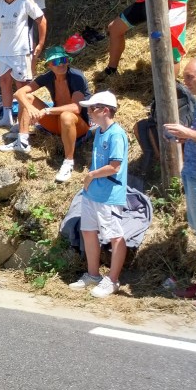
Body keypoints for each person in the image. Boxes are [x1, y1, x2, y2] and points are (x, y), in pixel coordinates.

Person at [67, 91, 129, 299]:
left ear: (105, 110)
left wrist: (91, 175)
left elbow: (115, 166)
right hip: (92, 193)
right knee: (88, 231)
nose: (89, 113)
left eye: (92, 109)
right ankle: (93, 275)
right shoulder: (100, 132)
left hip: (109, 194)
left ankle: (112, 280)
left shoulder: (117, 134)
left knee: (115, 237)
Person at [0, 46, 91, 183]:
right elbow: (18, 93)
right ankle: (22, 141)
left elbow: (76, 108)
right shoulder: (48, 77)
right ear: (49, 65)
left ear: (68, 60)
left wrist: (47, 110)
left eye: (63, 59)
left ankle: (68, 162)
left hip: (78, 125)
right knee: (27, 99)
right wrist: (30, 109)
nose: (61, 64)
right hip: (57, 124)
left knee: (66, 115)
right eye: (56, 62)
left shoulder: (77, 77)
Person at [0, 0, 47, 130]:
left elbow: (41, 21)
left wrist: (40, 43)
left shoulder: (26, 2)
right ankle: (7, 118)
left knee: (22, 87)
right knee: (5, 82)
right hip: (3, 52)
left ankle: (23, 123)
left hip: (21, 52)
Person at [163, 57, 196, 306]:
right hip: (193, 174)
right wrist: (185, 139)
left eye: (189, 77)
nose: (185, 82)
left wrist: (188, 133)